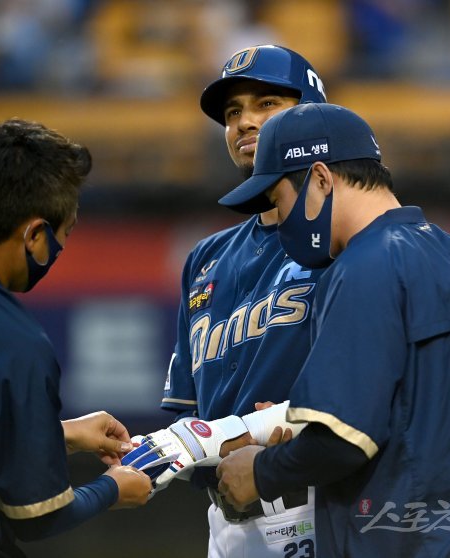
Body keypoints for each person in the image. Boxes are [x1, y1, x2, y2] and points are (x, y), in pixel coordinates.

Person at [215, 102, 450, 557]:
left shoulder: (363, 266)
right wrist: (298, 420)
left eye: (278, 200)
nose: (279, 219)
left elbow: (343, 442)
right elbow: (415, 410)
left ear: (320, 179)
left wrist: (261, 471)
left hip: (401, 542)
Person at [0, 118, 152, 558]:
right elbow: (37, 515)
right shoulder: (11, 340)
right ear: (35, 235)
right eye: (64, 234)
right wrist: (112, 488)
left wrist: (56, 435)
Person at [159, 45, 327, 557]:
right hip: (226, 521)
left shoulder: (343, 241)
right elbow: (189, 414)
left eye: (266, 104)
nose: (244, 122)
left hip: (319, 503)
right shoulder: (205, 258)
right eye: (233, 113)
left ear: (312, 114)